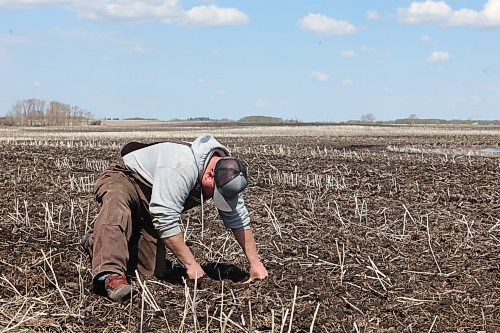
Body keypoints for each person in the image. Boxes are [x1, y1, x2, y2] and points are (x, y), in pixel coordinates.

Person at [83, 133, 268, 301]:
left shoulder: (229, 176)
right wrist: (191, 263)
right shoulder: (182, 164)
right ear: (210, 175)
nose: (213, 198)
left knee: (149, 272)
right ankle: (110, 276)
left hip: (155, 198)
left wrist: (255, 263)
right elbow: (165, 218)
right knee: (117, 206)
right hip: (127, 177)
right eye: (215, 193)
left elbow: (238, 219)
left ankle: (98, 243)